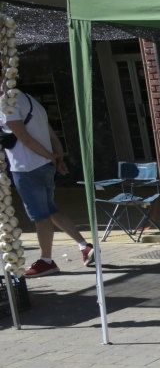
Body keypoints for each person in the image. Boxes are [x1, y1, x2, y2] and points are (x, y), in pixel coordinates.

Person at [1, 90, 93, 276]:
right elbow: (50, 133)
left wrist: (51, 157)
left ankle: (46, 260)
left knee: (40, 215)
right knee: (50, 209)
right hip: (44, 165)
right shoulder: (29, 99)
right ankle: (85, 246)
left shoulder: (6, 104)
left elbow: (24, 138)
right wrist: (57, 158)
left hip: (27, 167)